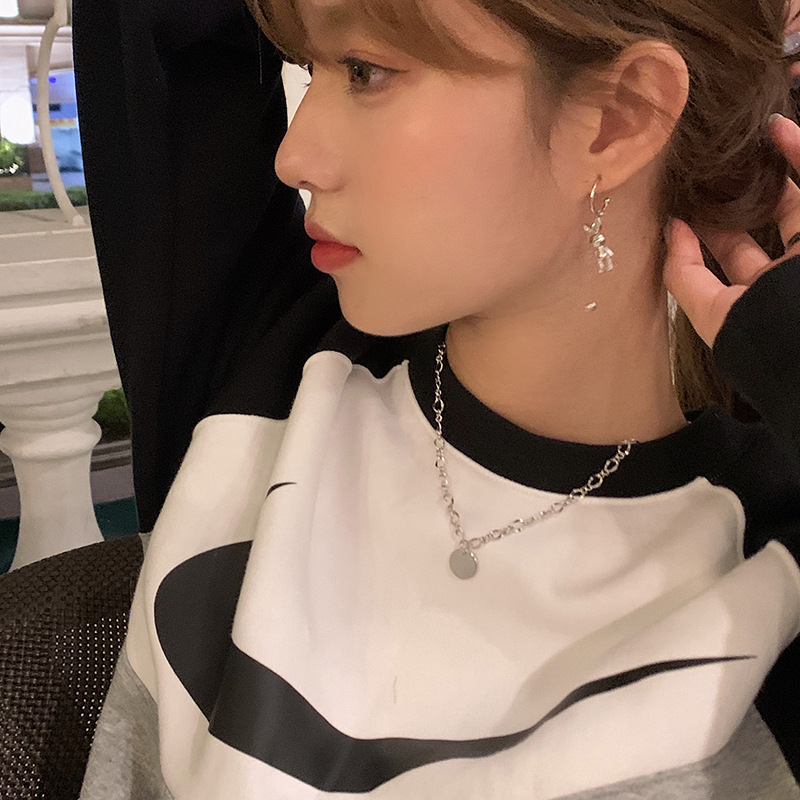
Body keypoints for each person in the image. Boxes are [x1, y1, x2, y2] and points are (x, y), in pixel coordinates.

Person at [72, 0, 800, 796]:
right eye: (309, 69)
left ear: (617, 118)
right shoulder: (268, 373)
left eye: (364, 71)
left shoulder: (773, 574)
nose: (295, 155)